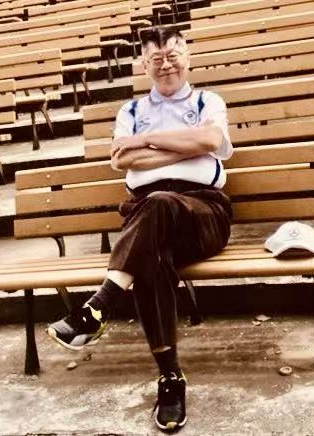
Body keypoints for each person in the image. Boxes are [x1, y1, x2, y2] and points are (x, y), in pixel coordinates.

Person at [46, 26, 233, 432]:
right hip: (146, 217)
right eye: (156, 58)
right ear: (144, 64)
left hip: (203, 213)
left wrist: (147, 143)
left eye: (173, 55)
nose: (166, 64)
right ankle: (170, 378)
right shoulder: (130, 111)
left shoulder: (207, 101)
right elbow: (122, 160)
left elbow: (209, 139)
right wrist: (182, 148)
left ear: (187, 57)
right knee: (153, 255)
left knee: (160, 203)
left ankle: (100, 304)